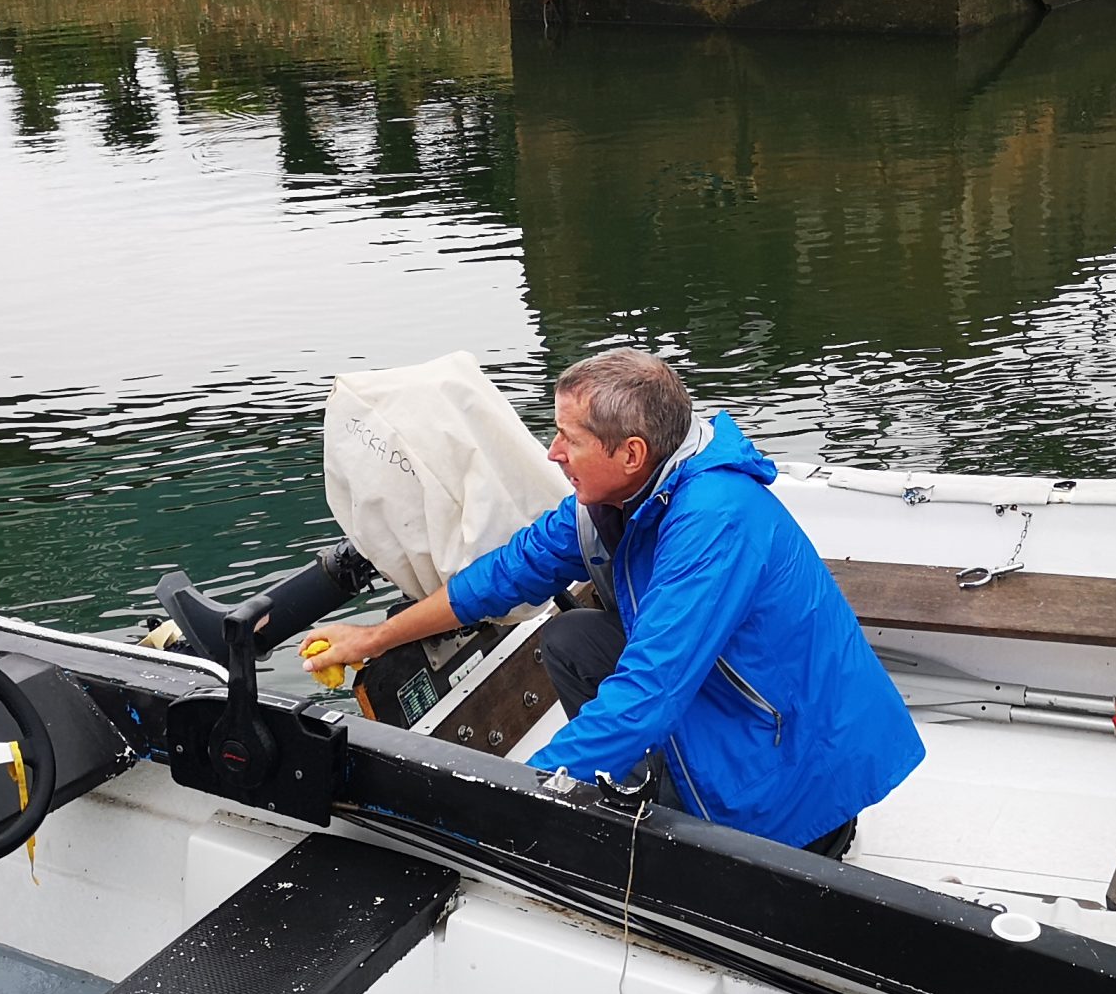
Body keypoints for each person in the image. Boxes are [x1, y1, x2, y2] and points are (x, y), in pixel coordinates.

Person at [300, 350, 923, 857]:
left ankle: (736, 826)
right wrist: (372, 639)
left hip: (796, 776)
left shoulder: (715, 521)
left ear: (630, 453)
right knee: (570, 640)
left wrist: (508, 799)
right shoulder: (619, 497)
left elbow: (649, 692)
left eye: (569, 439)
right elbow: (500, 576)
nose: (552, 452)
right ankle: (633, 787)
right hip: (733, 703)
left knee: (642, 734)